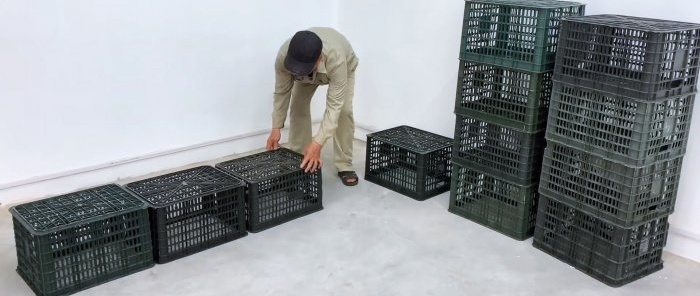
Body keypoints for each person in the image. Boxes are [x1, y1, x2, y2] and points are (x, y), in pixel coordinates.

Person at [266, 27, 359, 186]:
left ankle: (344, 164)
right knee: (298, 107)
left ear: (318, 58)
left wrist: (317, 144)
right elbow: (282, 92)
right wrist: (276, 128)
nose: (296, 70)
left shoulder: (336, 58)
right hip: (309, 73)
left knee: (343, 111)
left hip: (343, 66)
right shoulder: (283, 56)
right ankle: (300, 158)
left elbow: (334, 107)